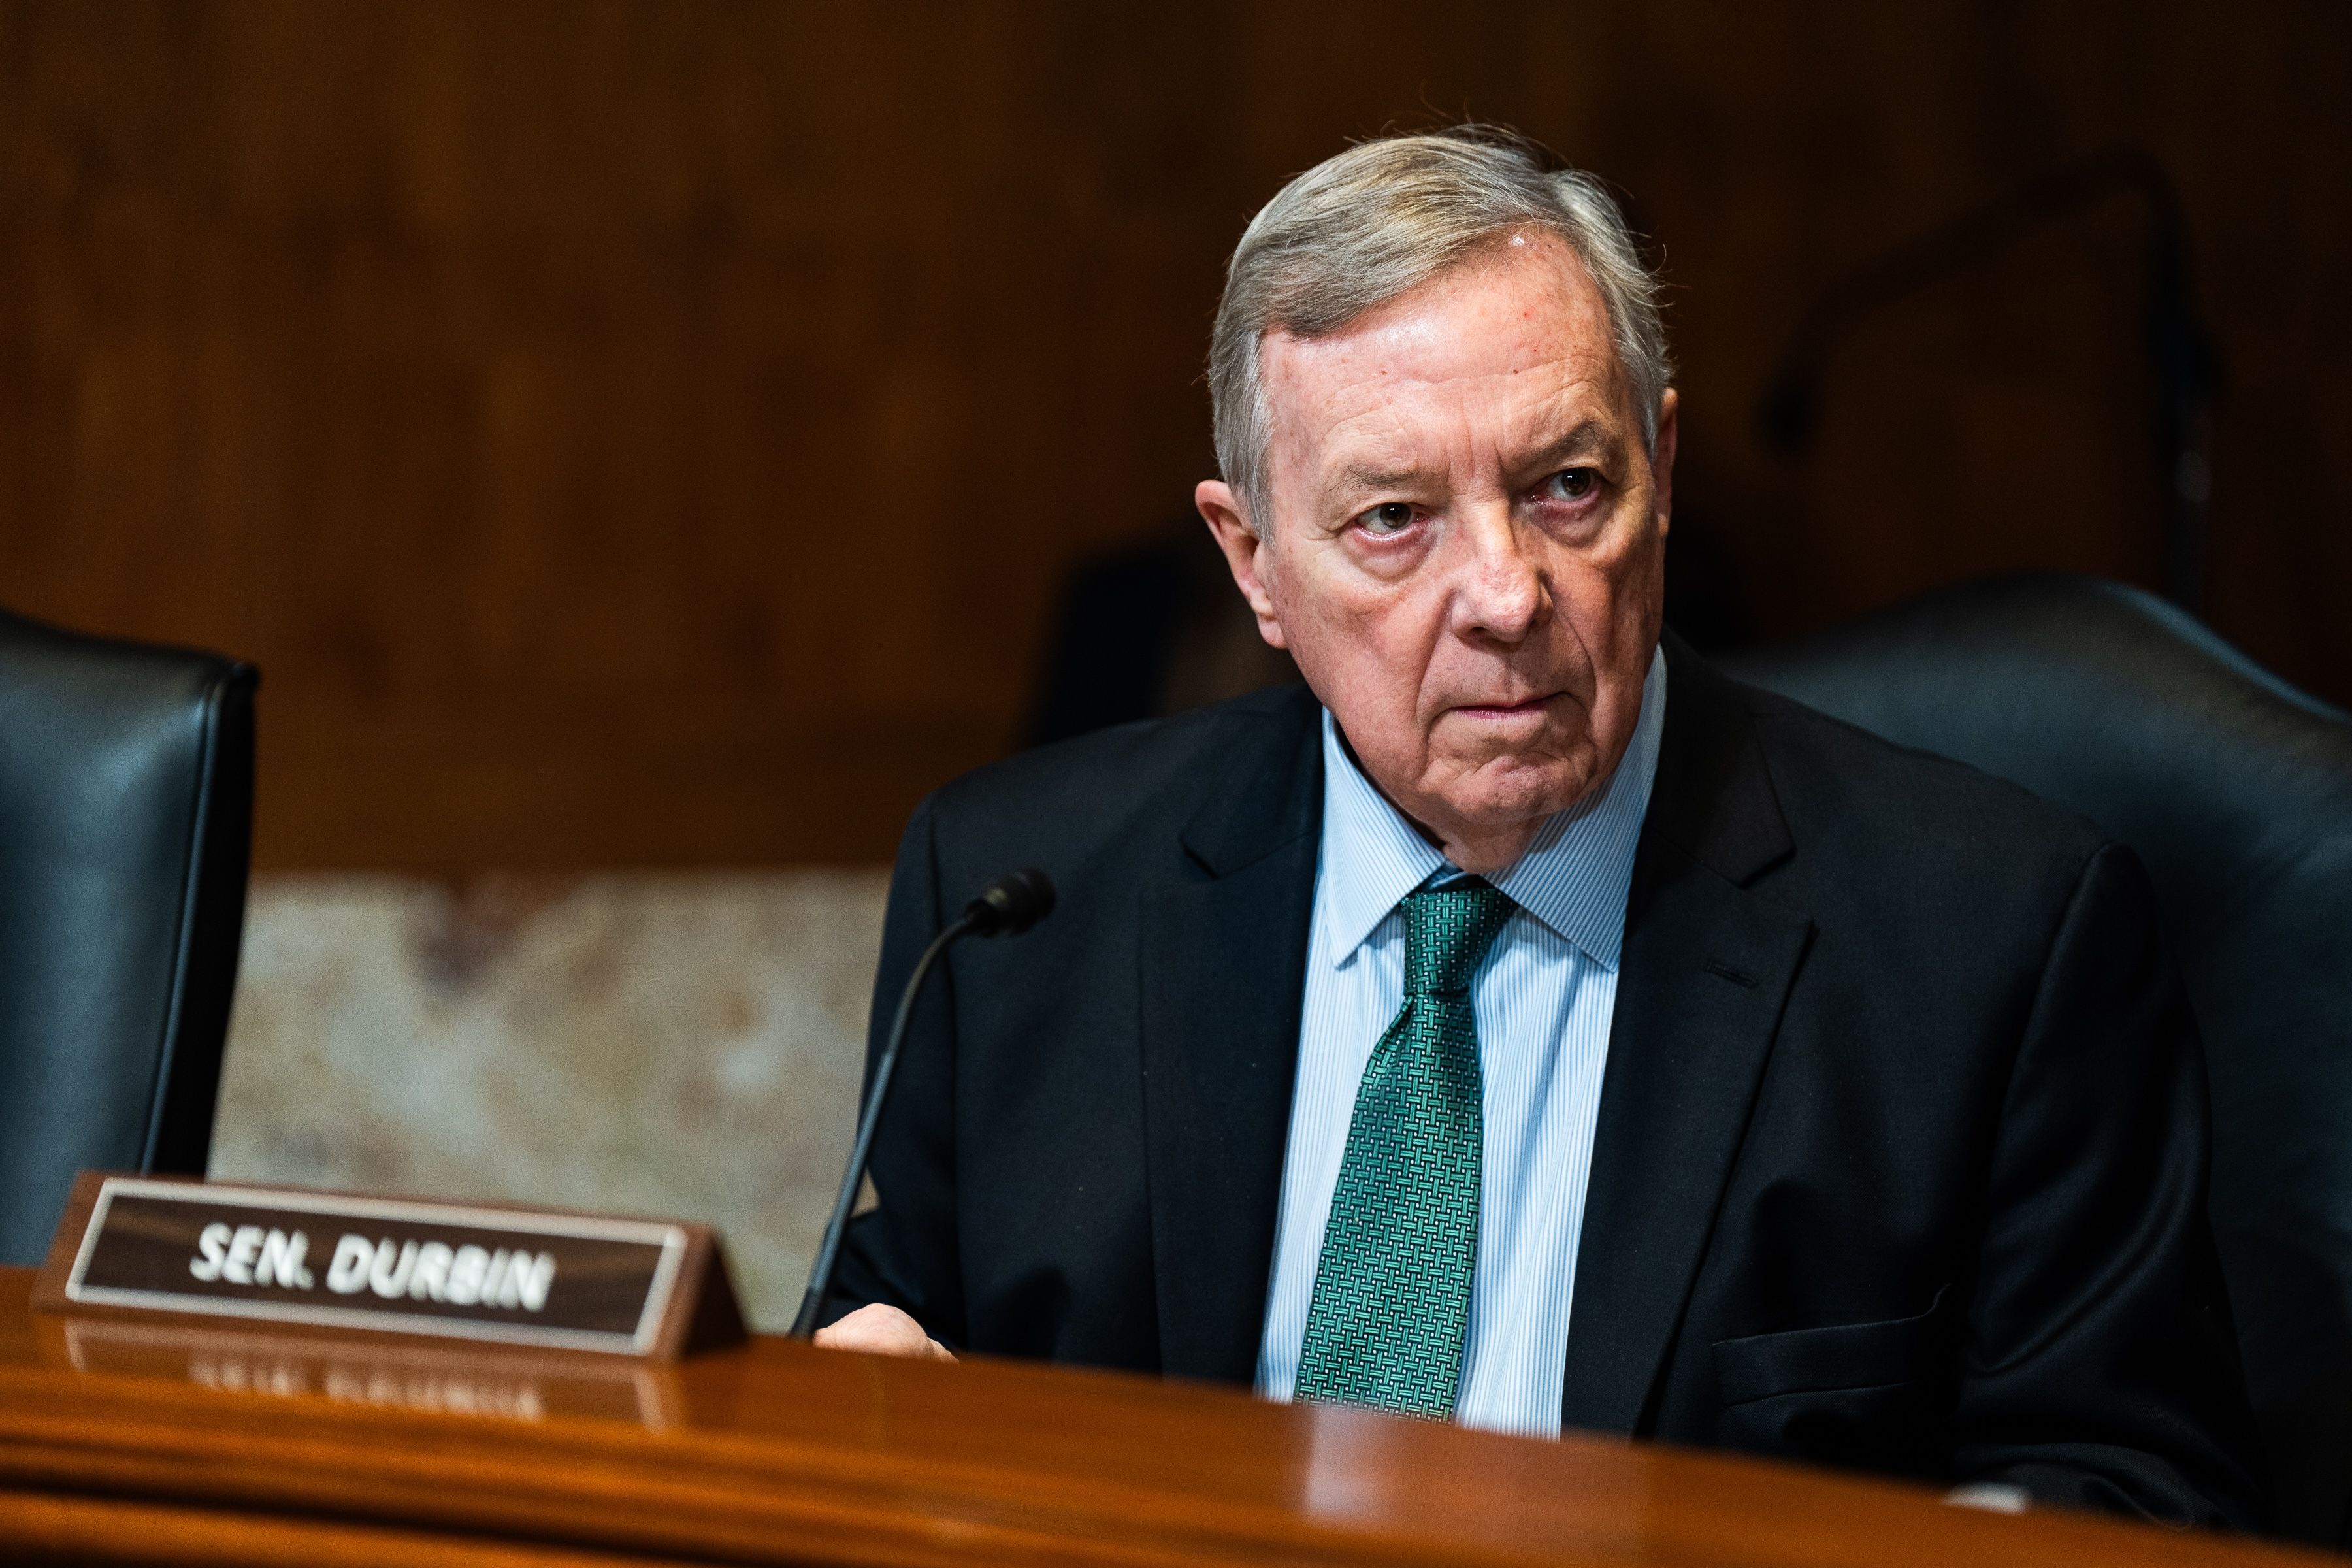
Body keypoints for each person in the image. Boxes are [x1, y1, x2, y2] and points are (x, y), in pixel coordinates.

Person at [816, 128, 2265, 1527]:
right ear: (1253, 563)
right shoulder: (1023, 902)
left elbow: (2133, 1498)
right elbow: (885, 1357)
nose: (1507, 596)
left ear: (1665, 473)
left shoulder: (1994, 940)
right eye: (1394, 517)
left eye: (1567, 487)